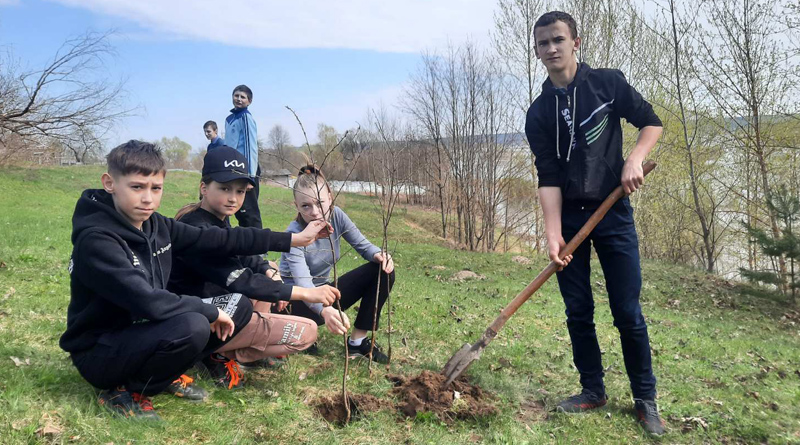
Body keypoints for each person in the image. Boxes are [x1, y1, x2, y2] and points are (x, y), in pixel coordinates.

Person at [60, 140, 329, 420]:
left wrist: (293, 239)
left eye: (156, 188)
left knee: (238, 307)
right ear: (109, 183)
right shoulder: (97, 241)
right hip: (101, 350)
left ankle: (162, 374)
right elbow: (147, 301)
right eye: (137, 187)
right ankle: (124, 391)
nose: (148, 199)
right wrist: (209, 310)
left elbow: (221, 239)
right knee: (194, 324)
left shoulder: (155, 224)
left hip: (145, 330)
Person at [525, 11, 665, 435]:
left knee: (627, 310)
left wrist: (634, 160)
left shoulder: (607, 84)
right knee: (578, 310)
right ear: (537, 51)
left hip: (613, 210)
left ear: (575, 42)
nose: (551, 48)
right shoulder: (538, 114)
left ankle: (645, 399)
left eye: (558, 40)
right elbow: (548, 178)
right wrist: (553, 236)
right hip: (570, 218)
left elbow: (651, 123)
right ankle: (593, 389)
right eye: (543, 43)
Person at [169, 146, 341, 387]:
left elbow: (243, 254)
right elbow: (241, 280)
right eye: (225, 188)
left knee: (266, 268)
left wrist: (271, 273)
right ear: (204, 188)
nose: (233, 198)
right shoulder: (197, 229)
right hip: (199, 319)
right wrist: (305, 293)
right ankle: (218, 355)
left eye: (240, 191)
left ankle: (228, 350)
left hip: (220, 306)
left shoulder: (216, 218)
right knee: (308, 332)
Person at [279, 166, 396, 363]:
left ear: (330, 197)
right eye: (306, 206)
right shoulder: (294, 234)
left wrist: (379, 254)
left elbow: (363, 245)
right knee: (304, 304)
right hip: (295, 304)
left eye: (319, 203)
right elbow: (304, 283)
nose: (315, 212)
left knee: (382, 270)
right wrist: (325, 310)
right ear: (296, 206)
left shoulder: (337, 216)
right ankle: (301, 333)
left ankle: (357, 343)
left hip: (322, 296)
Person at [224, 84, 262, 228]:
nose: (239, 99)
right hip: (232, 168)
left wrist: (250, 177)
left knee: (249, 211)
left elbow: (250, 147)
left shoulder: (245, 117)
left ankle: (258, 248)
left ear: (249, 101)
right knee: (237, 209)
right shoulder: (230, 119)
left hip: (245, 168)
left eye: (243, 97)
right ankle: (244, 245)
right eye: (236, 96)